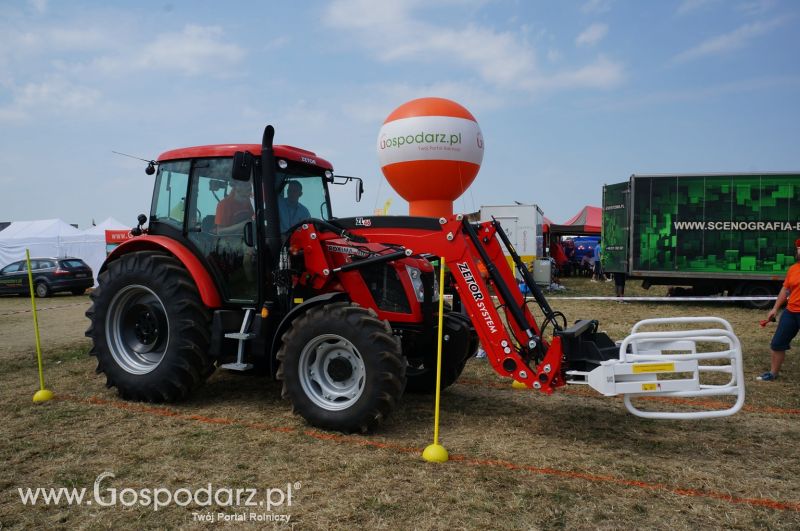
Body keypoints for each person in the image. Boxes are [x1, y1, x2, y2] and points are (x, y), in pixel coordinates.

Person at [758, 238, 800, 381]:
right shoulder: (793, 269)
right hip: (791, 312)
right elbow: (785, 289)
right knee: (777, 343)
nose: (799, 250)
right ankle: (773, 373)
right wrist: (775, 308)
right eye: (798, 248)